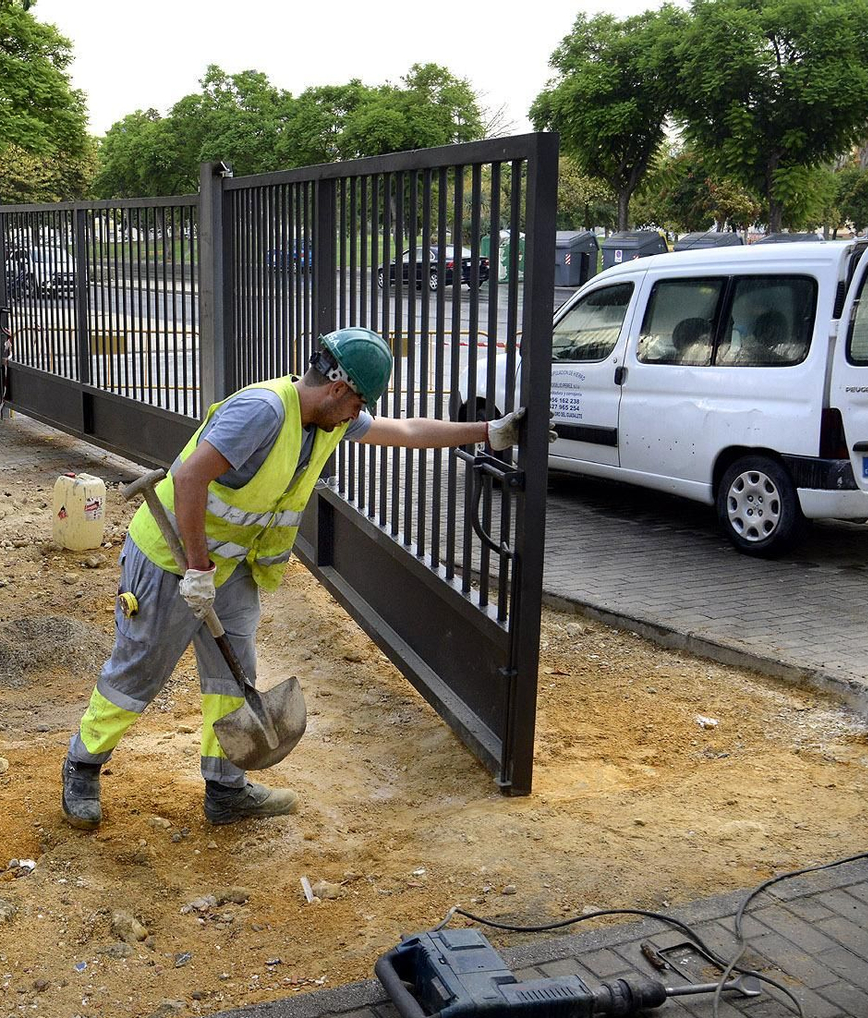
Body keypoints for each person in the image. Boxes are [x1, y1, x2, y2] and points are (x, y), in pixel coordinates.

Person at [61, 327, 523, 830]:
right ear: (338, 389)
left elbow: (406, 432)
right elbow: (190, 477)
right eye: (358, 402)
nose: (358, 415)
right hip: (171, 559)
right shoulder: (262, 412)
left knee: (232, 676)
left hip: (233, 565)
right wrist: (196, 570)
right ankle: (83, 763)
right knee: (140, 671)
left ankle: (226, 787)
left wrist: (486, 433)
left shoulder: (328, 422)